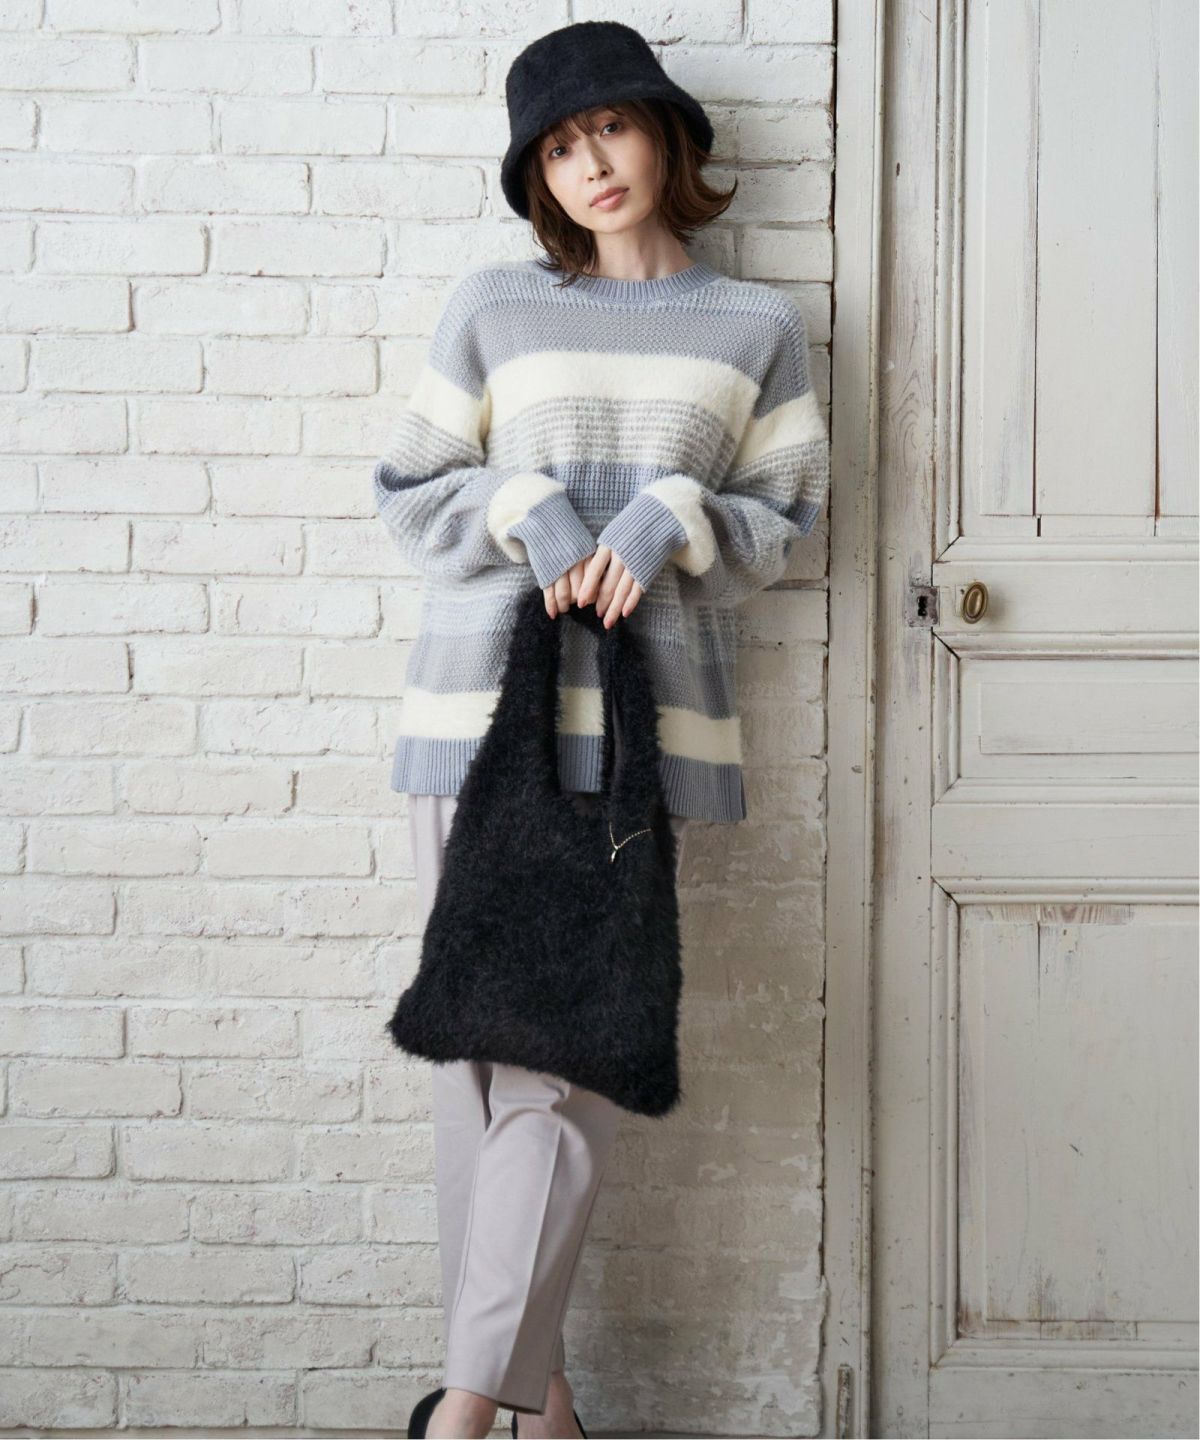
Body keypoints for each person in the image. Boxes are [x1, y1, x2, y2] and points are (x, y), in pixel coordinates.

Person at [380, 21, 831, 1440]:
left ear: (665, 136)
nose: (592, 165)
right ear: (539, 177)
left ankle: (463, 1414)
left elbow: (791, 520)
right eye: (561, 148)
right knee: (480, 1071)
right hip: (473, 722)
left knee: (558, 1075)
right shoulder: (493, 306)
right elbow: (412, 492)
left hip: (634, 744)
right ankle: (546, 1409)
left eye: (612, 130)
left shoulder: (755, 326)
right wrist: (527, 505)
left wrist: (670, 515)